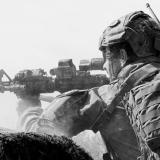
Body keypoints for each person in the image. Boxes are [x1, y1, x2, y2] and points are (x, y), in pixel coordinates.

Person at [15, 10, 160, 160]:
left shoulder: (107, 97)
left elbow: (37, 139)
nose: (104, 65)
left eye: (107, 57)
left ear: (122, 57)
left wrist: (29, 108)